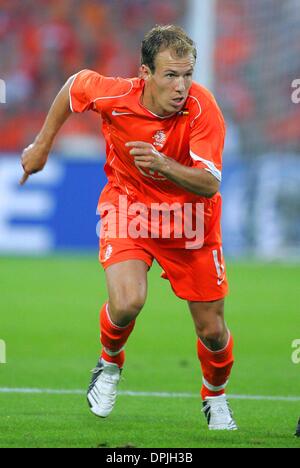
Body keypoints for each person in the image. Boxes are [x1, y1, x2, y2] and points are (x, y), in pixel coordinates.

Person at [20, 25, 237, 431]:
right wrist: (42, 145)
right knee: (127, 302)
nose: (182, 85)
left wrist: (163, 164)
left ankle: (215, 395)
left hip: (190, 221)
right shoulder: (115, 95)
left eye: (188, 74)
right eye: (171, 75)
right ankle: (109, 362)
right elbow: (73, 87)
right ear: (145, 73)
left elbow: (210, 183)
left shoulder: (204, 109)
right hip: (129, 208)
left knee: (212, 330)